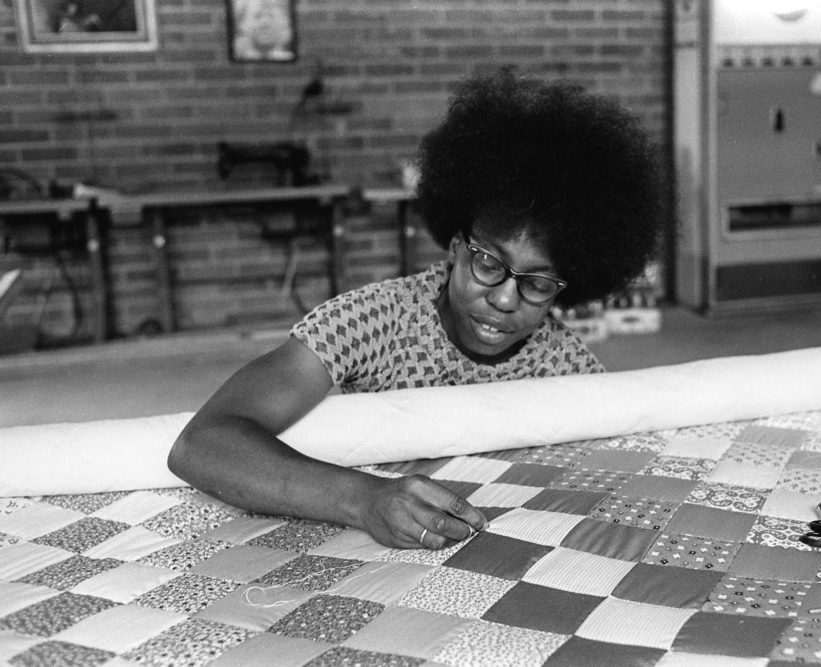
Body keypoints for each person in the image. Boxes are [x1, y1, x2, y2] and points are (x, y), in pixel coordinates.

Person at [168, 68, 663, 550]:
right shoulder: (368, 322)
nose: (506, 298)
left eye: (537, 283)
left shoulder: (565, 364)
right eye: (489, 262)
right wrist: (364, 500)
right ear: (455, 247)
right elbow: (203, 445)